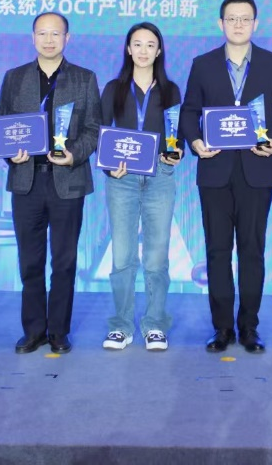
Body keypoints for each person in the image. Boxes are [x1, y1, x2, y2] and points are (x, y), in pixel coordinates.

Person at [180, 0, 272, 353]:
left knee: (252, 251)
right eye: (231, 18)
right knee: (217, 252)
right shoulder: (202, 64)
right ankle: (221, 328)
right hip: (214, 170)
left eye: (245, 18)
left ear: (255, 24)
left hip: (257, 169)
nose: (238, 24)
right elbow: (189, 111)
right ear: (220, 23)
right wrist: (196, 142)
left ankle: (249, 327)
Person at [0, 12, 101, 355]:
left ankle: (58, 331)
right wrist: (11, 154)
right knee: (30, 261)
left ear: (67, 38)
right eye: (42, 33)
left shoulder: (84, 78)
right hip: (26, 181)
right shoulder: (14, 78)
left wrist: (74, 155)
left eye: (56, 34)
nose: (49, 40)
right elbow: (2, 127)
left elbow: (93, 129)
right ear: (33, 38)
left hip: (67, 181)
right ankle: (33, 331)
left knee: (64, 261)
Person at [98, 22, 183, 352]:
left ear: (159, 51)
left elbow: (177, 134)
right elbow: (101, 131)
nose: (143, 50)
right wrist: (109, 166)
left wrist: (176, 152)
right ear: (128, 49)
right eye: (137, 44)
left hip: (160, 177)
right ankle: (121, 326)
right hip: (122, 180)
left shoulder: (171, 90)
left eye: (150, 44)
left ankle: (155, 324)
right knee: (122, 256)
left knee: (156, 257)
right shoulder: (114, 89)